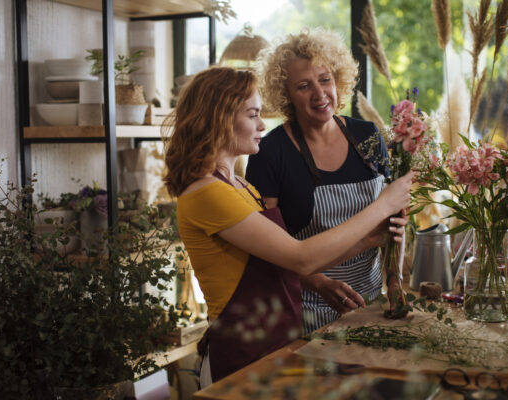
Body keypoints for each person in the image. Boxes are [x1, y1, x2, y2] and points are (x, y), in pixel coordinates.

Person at [164, 66, 413, 386]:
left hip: (274, 343)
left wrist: (368, 240)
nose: (262, 125)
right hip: (241, 354)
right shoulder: (207, 193)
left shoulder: (238, 186)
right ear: (220, 117)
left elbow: (280, 264)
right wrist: (384, 204)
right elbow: (300, 257)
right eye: (252, 115)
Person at [246, 28, 406, 334]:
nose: (319, 95)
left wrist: (395, 280)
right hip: (305, 309)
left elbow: (395, 216)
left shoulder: (367, 135)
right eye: (304, 86)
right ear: (286, 94)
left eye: (325, 80)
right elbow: (267, 251)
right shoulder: (270, 153)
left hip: (371, 304)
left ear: (338, 79)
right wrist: (319, 284)